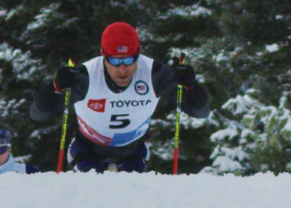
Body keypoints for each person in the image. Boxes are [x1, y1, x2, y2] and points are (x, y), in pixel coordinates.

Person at [31, 22, 211, 173]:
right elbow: (38, 114)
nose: (122, 69)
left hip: (133, 153)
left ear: (138, 53)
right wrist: (55, 86)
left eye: (129, 60)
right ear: (103, 55)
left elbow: (200, 112)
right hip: (87, 151)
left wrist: (191, 85)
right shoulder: (86, 76)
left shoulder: (154, 73)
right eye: (115, 61)